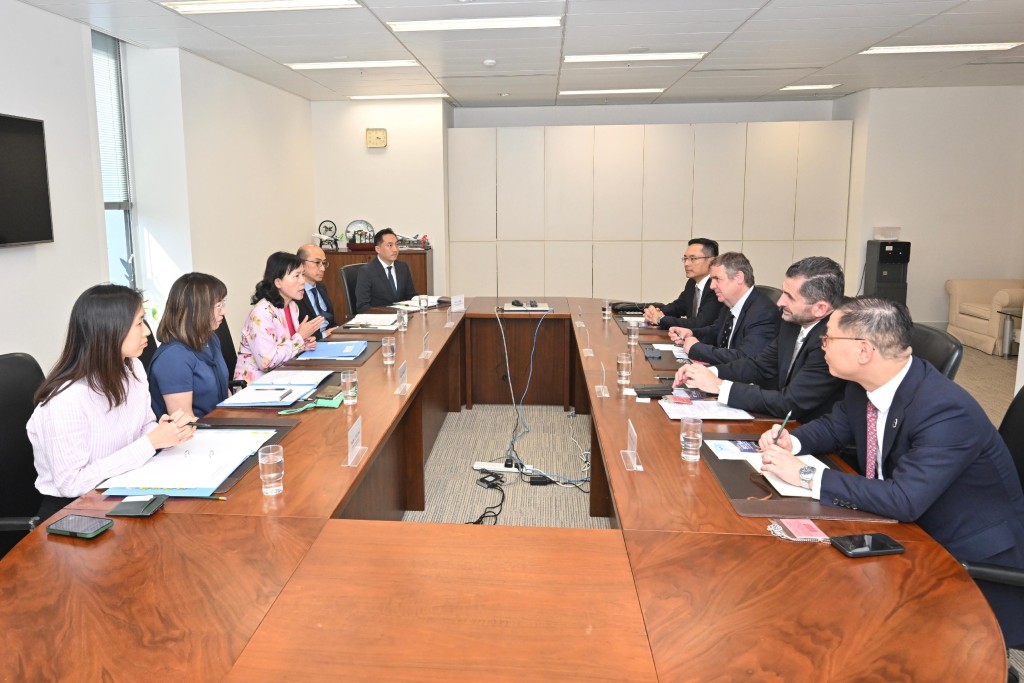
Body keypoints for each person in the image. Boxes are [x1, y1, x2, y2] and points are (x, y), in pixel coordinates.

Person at [758, 296, 1024, 647]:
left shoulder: (945, 410)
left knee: (836, 621)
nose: (821, 344)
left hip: (963, 561)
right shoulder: (867, 385)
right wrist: (791, 442)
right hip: (907, 531)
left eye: (829, 338)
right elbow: (836, 427)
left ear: (864, 350)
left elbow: (904, 499)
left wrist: (806, 476)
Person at [27, 284, 196, 521]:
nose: (147, 331)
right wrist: (150, 443)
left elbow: (143, 426)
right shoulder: (65, 399)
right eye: (138, 323)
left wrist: (166, 430)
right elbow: (70, 483)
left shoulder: (132, 367)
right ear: (110, 330)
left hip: (121, 491)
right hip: (73, 513)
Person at [675, 256, 847, 420]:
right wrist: (708, 373)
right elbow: (758, 365)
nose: (780, 302)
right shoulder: (792, 322)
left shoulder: (832, 341)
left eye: (789, 296)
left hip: (811, 433)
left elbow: (790, 402)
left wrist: (720, 387)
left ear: (820, 309)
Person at [668, 252, 779, 364]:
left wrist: (697, 349)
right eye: (711, 280)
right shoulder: (729, 303)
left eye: (717, 279)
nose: (712, 286)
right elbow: (716, 331)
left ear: (739, 277)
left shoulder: (763, 313)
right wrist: (691, 333)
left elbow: (744, 359)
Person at [148, 272, 230, 419]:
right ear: (196, 310)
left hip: (220, 423)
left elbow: (224, 392)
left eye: (223, 303)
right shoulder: (173, 358)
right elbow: (185, 422)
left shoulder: (210, 339)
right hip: (196, 436)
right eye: (218, 305)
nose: (224, 311)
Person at [235, 251, 323, 382]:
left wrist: (303, 344)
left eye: (303, 275)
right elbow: (267, 363)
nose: (303, 281)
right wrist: (300, 338)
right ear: (278, 282)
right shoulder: (262, 313)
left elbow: (284, 345)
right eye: (296, 276)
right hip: (256, 385)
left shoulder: (292, 306)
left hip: (283, 376)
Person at [643, 237, 724, 330]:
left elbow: (700, 323)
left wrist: (661, 319)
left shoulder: (716, 287)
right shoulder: (692, 282)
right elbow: (678, 306)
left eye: (693, 258)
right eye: (685, 258)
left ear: (712, 261)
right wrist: (654, 312)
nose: (686, 263)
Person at [355, 228, 417, 313]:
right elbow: (363, 306)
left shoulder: (403, 267)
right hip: (380, 321)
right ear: (378, 249)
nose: (395, 249)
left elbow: (411, 296)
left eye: (396, 244)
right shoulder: (366, 272)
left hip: (403, 318)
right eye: (389, 245)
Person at [295, 243, 338, 340]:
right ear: (301, 264)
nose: (323, 269)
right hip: (311, 343)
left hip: (330, 337)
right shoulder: (294, 293)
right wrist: (323, 335)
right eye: (317, 263)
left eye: (324, 263)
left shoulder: (321, 288)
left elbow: (331, 320)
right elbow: (294, 334)